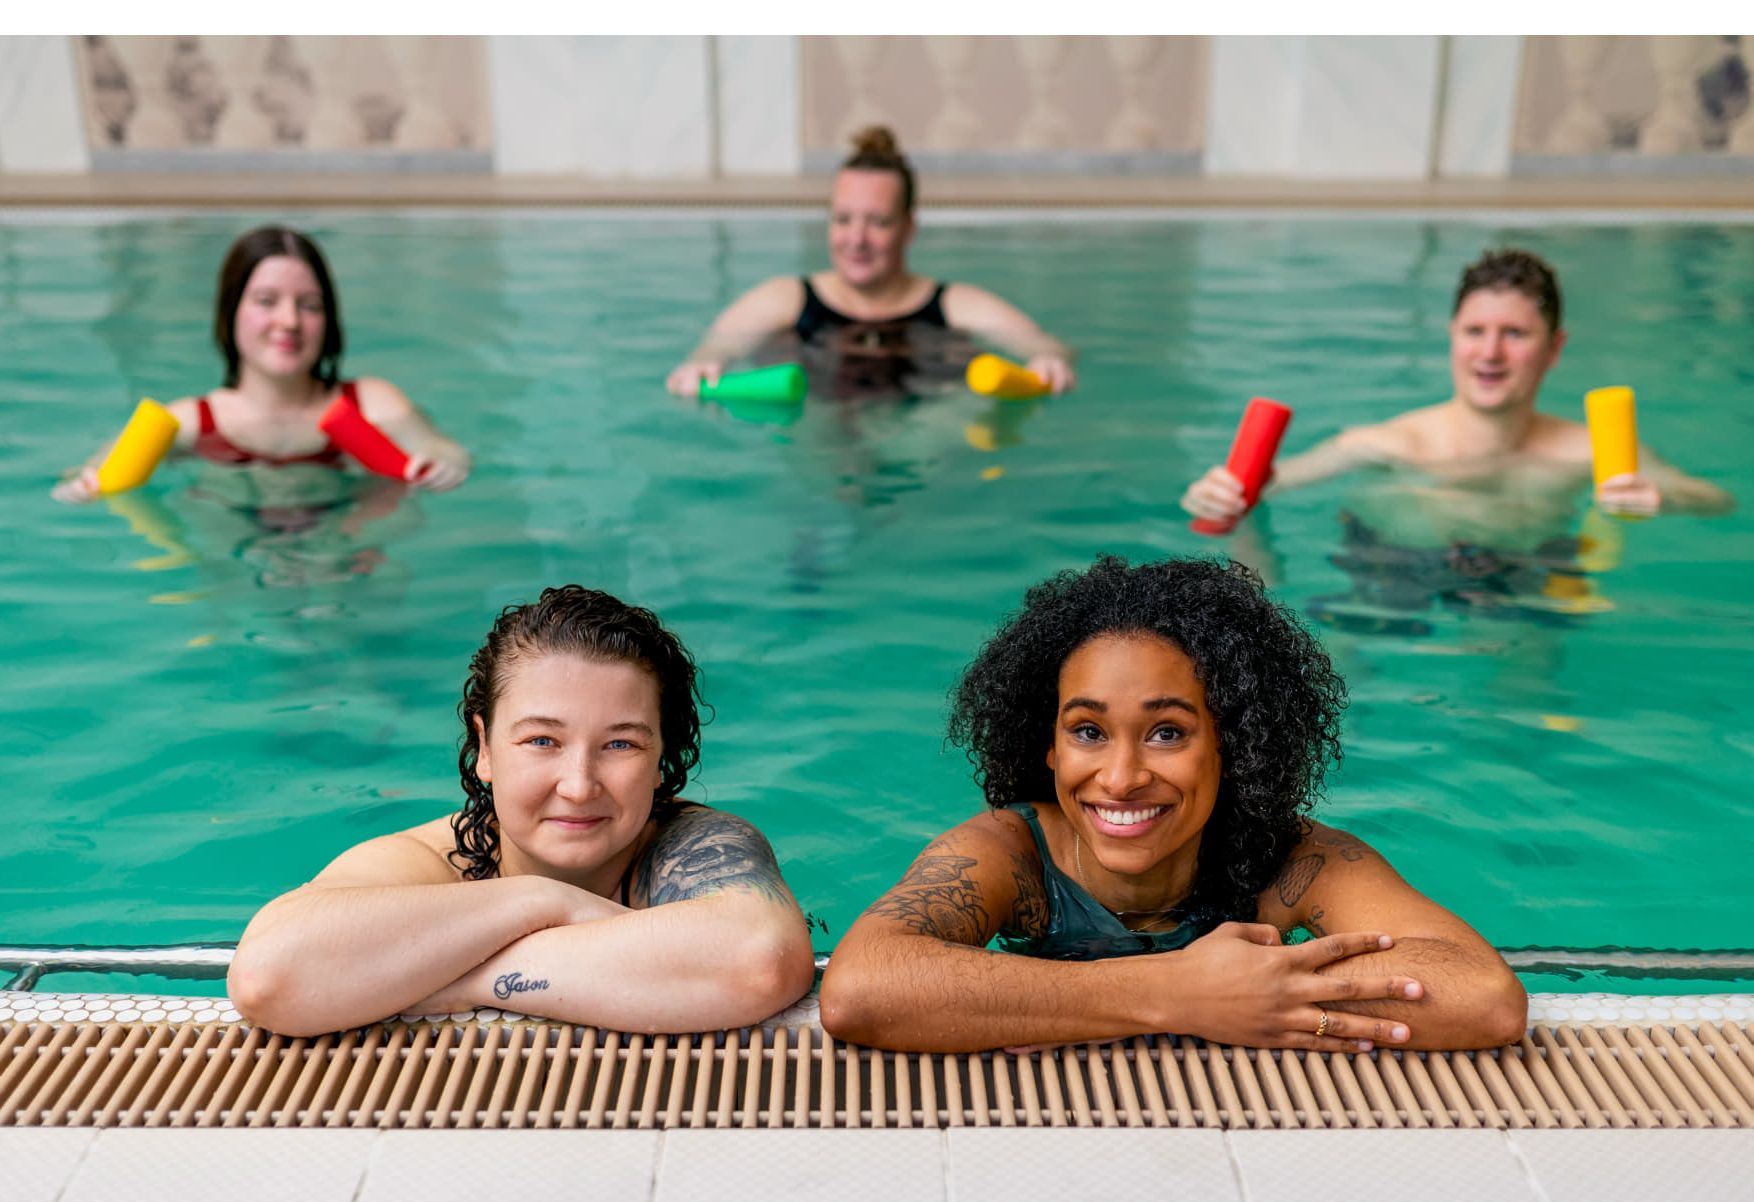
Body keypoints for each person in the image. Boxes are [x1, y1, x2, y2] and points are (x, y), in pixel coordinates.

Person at [819, 555, 1527, 1054]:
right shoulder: (1012, 853)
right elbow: (861, 989)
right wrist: (1179, 994)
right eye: (1088, 731)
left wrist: (1228, 992)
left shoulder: (1292, 861)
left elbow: (1485, 998)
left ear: (1231, 745)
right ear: (1049, 748)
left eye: (1167, 733)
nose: (1121, 778)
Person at [228, 585, 816, 1037]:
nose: (579, 786)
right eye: (542, 741)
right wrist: (544, 900)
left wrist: (468, 978)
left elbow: (759, 963)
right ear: (484, 748)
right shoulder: (430, 860)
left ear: (661, 758)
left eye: (620, 744)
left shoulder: (695, 847)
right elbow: (267, 978)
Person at [1180, 248, 1732, 525]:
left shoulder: (1587, 452)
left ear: (1554, 349)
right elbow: (1272, 483)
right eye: (1474, 332)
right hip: (1393, 575)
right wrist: (1214, 494)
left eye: (1514, 334)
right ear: (1452, 337)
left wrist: (1664, 499)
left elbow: (1716, 501)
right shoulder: (1389, 444)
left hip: (1526, 578)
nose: (1490, 353)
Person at [53, 225, 471, 503]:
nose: (289, 321)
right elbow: (103, 466)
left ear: (329, 319)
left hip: (350, 559)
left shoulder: (372, 404)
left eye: (309, 305)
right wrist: (88, 480)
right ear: (231, 311)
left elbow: (440, 448)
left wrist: (443, 464)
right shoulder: (191, 423)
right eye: (266, 301)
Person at [665, 126, 1076, 398]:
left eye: (878, 223)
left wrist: (1047, 361)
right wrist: (703, 364)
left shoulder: (955, 305)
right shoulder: (785, 298)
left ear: (908, 228)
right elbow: (717, 345)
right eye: (843, 220)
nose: (856, 240)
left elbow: (1044, 345)